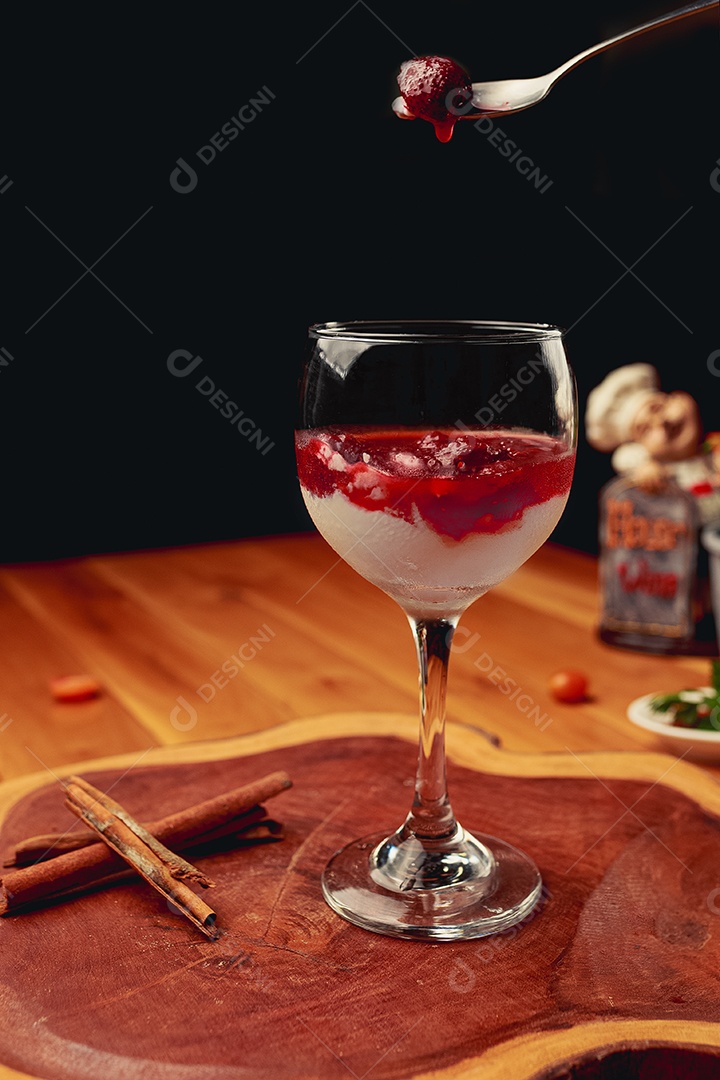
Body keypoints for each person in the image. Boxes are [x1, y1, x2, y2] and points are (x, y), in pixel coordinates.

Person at [585, 363, 720, 526]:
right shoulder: (664, 475)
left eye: (658, 408)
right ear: (638, 448)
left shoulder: (713, 445)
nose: (661, 423)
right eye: (646, 430)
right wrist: (645, 470)